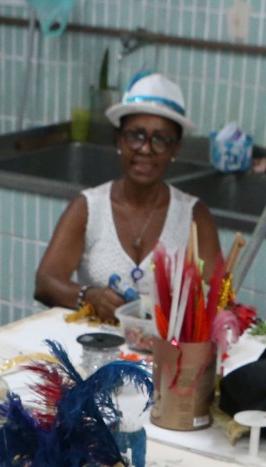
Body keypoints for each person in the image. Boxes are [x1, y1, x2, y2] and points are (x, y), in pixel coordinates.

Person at [34, 72, 222, 324]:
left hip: (165, 352)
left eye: (160, 140)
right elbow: (45, 283)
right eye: (135, 135)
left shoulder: (194, 216)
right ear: (119, 140)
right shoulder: (89, 207)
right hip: (96, 349)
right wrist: (90, 296)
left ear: (175, 148)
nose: (145, 149)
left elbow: (219, 298)